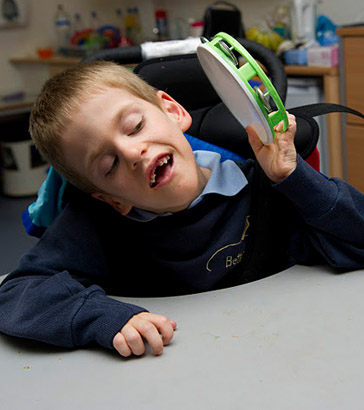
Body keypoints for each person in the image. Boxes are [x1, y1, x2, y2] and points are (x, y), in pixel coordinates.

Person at [1, 61, 364, 358]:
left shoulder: (268, 190)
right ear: (112, 199)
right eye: (108, 165)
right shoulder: (97, 225)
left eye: (135, 126)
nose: (131, 153)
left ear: (173, 111)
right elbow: (16, 294)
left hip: (287, 354)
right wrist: (102, 317)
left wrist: (294, 177)